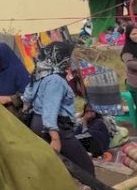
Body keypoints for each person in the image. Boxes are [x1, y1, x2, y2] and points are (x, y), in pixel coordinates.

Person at [22, 42, 94, 175]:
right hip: (55, 127)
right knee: (86, 167)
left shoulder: (41, 73)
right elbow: (50, 109)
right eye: (69, 57)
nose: (71, 61)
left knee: (57, 167)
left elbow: (27, 97)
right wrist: (55, 138)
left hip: (37, 123)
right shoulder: (55, 80)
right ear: (61, 58)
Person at [0, 42, 30, 117]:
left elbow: (29, 95)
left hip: (16, 118)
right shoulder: (0, 71)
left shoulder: (18, 70)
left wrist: (9, 99)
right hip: (2, 115)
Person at [122, 25, 137, 133]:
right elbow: (130, 64)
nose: (136, 36)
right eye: (133, 34)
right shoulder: (127, 50)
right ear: (128, 36)